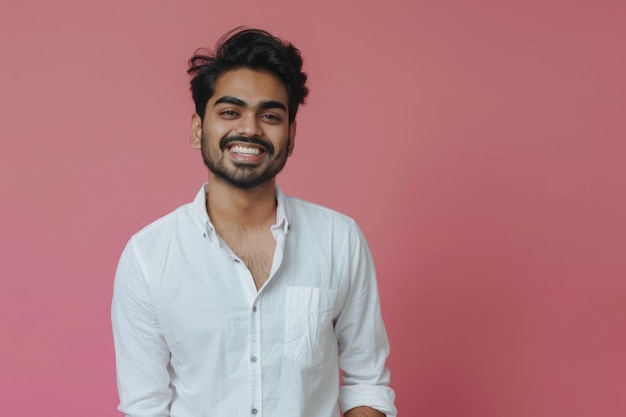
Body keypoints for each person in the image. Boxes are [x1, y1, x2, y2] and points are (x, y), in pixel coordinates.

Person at [111, 27, 397, 417]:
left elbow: (367, 382)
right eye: (230, 111)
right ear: (198, 130)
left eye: (270, 115)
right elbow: (145, 407)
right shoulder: (148, 257)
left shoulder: (339, 240)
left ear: (291, 136)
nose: (249, 129)